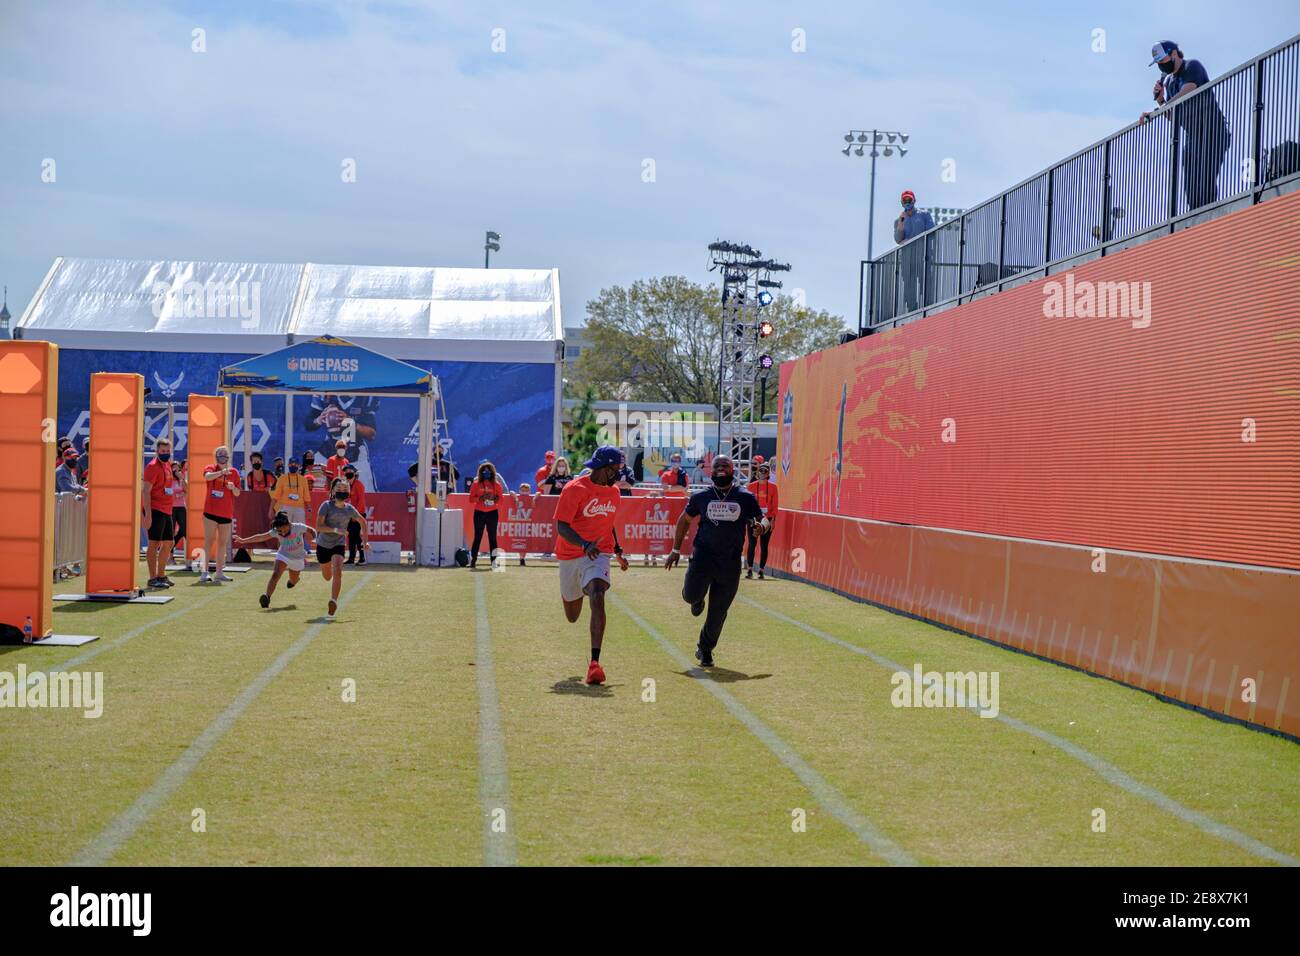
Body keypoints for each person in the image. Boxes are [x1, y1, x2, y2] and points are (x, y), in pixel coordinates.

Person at [663, 455, 767, 668]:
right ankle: (696, 599)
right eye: (717, 465)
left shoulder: (745, 497)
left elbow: (763, 518)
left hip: (729, 562)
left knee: (718, 611)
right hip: (702, 557)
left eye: (725, 466)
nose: (721, 469)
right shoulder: (701, 496)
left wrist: (762, 527)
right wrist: (675, 550)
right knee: (690, 594)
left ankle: (705, 649)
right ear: (711, 471)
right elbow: (684, 519)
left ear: (731, 470)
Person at [553, 446, 630, 685]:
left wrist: (617, 551)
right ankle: (579, 590)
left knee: (598, 594)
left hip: (599, 553)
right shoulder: (573, 489)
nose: (619, 474)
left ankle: (594, 664)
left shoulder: (615, 493)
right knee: (572, 616)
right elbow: (562, 526)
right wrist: (584, 544)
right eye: (616, 469)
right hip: (571, 554)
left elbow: (608, 523)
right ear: (604, 468)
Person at [1140, 41, 1229, 212]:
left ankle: (1209, 219)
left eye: (1163, 60)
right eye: (1158, 63)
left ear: (1174, 54)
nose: (1161, 65)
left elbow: (1188, 90)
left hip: (1213, 132)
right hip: (1193, 137)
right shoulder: (1169, 82)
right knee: (1190, 186)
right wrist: (1160, 101)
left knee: (1205, 182)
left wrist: (1156, 111)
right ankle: (1195, 221)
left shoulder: (1191, 66)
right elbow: (1173, 116)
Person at [234, 511, 316, 609]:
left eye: (283, 530)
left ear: (289, 524)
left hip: (297, 558)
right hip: (283, 555)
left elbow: (311, 530)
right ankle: (267, 597)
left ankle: (293, 581)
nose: (282, 533)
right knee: (275, 575)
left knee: (293, 581)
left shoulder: (298, 527)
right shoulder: (276, 531)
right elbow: (261, 537)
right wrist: (243, 540)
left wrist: (315, 538)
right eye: (279, 531)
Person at [315, 476, 369, 617]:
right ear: (333, 491)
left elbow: (363, 522)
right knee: (327, 576)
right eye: (339, 489)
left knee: (338, 569)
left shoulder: (349, 509)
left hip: (338, 544)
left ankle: (333, 601)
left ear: (349, 492)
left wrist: (365, 542)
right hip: (323, 545)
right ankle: (331, 577)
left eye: (345, 489)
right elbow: (318, 526)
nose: (342, 491)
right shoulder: (326, 505)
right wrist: (335, 530)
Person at [305, 393, 379, 490]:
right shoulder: (324, 393)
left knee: (367, 496)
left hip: (355, 454)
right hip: (328, 453)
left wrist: (350, 421)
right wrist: (319, 419)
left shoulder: (365, 396)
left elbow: (371, 434)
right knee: (316, 492)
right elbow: (308, 424)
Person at [200, 445, 241, 584]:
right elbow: (207, 477)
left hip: (226, 513)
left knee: (222, 543)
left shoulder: (234, 472)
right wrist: (222, 472)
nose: (222, 457)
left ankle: (219, 572)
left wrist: (233, 487)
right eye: (219, 454)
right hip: (210, 512)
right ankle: (204, 572)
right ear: (216, 456)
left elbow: (237, 493)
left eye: (224, 454)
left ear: (228, 456)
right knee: (208, 541)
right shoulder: (211, 468)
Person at [141, 438, 178, 589]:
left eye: (167, 451)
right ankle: (152, 578)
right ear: (157, 451)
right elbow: (146, 491)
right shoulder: (152, 467)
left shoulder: (167, 465)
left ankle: (161, 575)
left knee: (169, 543)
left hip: (167, 509)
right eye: (162, 451)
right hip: (155, 509)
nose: (165, 454)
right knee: (154, 543)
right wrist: (148, 515)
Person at [895, 190, 935, 312]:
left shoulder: (924, 215)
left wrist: (912, 240)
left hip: (923, 254)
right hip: (907, 257)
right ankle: (912, 308)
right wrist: (901, 223)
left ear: (914, 201)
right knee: (908, 283)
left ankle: (928, 306)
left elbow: (931, 232)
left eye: (909, 200)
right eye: (904, 200)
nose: (907, 203)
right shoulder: (898, 221)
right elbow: (898, 239)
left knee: (926, 280)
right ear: (901, 202)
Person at [467, 461, 506, 569]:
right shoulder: (476, 484)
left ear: (492, 472)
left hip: (492, 513)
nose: (486, 473)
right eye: (484, 471)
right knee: (477, 537)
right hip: (479, 512)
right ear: (481, 472)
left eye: (489, 471)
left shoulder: (496, 484)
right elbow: (471, 499)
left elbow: (501, 500)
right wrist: (481, 498)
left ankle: (494, 562)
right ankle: (473, 561)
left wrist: (494, 498)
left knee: (492, 537)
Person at [745, 462, 780, 579]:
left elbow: (775, 505)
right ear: (757, 472)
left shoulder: (773, 487)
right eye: (761, 471)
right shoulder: (750, 486)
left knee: (764, 545)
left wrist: (773, 520)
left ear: (768, 473)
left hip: (767, 518)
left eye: (765, 471)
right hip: (753, 517)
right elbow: (747, 504)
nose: (763, 473)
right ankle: (749, 569)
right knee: (752, 543)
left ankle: (761, 570)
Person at [269, 456, 312, 526]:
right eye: (291, 464)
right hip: (285, 508)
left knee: (299, 531)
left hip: (299, 509)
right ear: (288, 465)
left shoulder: (303, 480)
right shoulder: (282, 478)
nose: (293, 465)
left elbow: (307, 497)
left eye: (295, 464)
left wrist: (309, 510)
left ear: (299, 465)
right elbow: (276, 496)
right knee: (284, 529)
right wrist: (271, 510)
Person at [343, 463, 368, 565]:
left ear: (355, 473)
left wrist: (355, 515)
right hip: (350, 515)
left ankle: (362, 558)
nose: (348, 473)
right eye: (346, 472)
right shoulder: (347, 485)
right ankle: (351, 558)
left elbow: (361, 501)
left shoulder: (359, 485)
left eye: (350, 472)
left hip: (358, 514)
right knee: (351, 537)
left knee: (357, 537)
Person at [170, 458, 188, 564]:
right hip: (171, 507)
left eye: (177, 469)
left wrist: (182, 479)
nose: (175, 472)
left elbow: (186, 491)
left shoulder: (181, 479)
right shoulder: (168, 479)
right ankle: (170, 557)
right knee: (170, 533)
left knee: (185, 530)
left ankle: (190, 557)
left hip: (181, 507)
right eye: (173, 469)